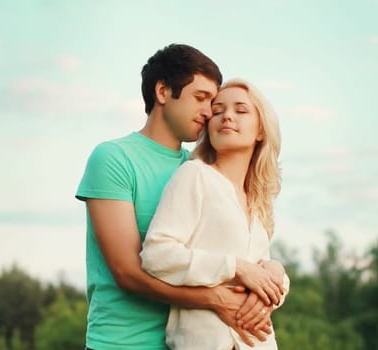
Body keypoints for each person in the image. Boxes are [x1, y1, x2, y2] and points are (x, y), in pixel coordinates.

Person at [75, 44, 273, 350]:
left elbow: (233, 250)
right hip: (121, 343)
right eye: (201, 98)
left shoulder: (200, 170)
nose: (209, 113)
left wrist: (273, 272)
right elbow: (127, 272)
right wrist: (213, 299)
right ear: (163, 92)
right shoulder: (114, 158)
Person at [141, 78, 290, 349]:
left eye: (241, 110)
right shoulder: (195, 175)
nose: (227, 117)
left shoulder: (256, 200)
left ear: (260, 131)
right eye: (217, 110)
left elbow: (262, 275)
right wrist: (237, 268)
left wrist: (276, 272)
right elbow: (156, 254)